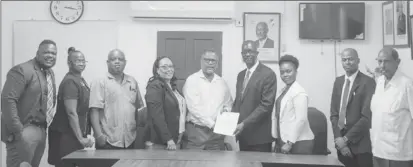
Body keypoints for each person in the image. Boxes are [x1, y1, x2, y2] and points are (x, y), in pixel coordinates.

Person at [1, 39, 57, 167]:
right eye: (46, 52)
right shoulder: (22, 70)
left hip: (42, 129)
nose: (50, 56)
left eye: (54, 53)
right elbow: (8, 100)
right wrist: (18, 130)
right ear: (37, 53)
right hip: (24, 129)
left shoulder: (49, 73)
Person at [89, 49, 145, 150]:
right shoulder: (100, 81)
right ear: (107, 62)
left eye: (120, 59)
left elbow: (137, 108)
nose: (117, 61)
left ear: (125, 62)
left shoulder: (132, 81)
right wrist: (98, 135)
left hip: (129, 139)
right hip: (108, 140)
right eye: (113, 59)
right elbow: (94, 110)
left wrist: (136, 131)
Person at [48, 47, 94, 167]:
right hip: (65, 135)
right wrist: (81, 138)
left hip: (73, 134)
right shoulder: (70, 82)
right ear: (69, 63)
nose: (81, 63)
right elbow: (71, 112)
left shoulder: (80, 80)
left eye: (83, 60)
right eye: (78, 60)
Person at [330, 48, 375, 167]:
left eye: (351, 59)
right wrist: (339, 140)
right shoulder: (338, 82)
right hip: (341, 143)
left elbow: (366, 117)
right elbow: (334, 114)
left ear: (358, 60)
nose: (347, 62)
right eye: (344, 60)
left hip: (360, 144)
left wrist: (345, 140)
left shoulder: (368, 82)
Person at [182, 50, 233, 150]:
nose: (210, 63)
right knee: (194, 163)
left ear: (217, 64)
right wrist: (212, 124)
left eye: (213, 61)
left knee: (216, 163)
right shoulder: (192, 80)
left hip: (217, 135)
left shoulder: (222, 82)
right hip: (196, 132)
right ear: (201, 61)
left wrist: (226, 111)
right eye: (207, 60)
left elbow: (228, 103)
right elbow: (194, 108)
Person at [370, 48, 413, 167]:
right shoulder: (379, 82)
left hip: (399, 155)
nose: (382, 65)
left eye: (387, 61)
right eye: (379, 61)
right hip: (378, 151)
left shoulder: (407, 84)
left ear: (397, 62)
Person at [232, 40, 277, 152]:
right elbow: (239, 101)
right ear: (241, 54)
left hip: (259, 138)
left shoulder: (268, 74)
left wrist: (244, 124)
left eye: (250, 51)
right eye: (244, 52)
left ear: (257, 53)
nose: (247, 54)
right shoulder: (241, 75)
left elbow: (266, 106)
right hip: (243, 136)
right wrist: (228, 113)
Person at [272, 54, 314, 154]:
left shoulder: (299, 92)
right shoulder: (283, 90)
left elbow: (301, 119)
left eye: (288, 71)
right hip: (284, 139)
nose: (285, 75)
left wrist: (290, 143)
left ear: (296, 71)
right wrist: (276, 139)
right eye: (282, 72)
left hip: (299, 142)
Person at [145, 56, 186, 150]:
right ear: (157, 70)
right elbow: (156, 116)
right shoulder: (155, 86)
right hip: (162, 142)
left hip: (176, 137)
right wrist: (168, 139)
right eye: (164, 67)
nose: (169, 69)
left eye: (171, 66)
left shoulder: (172, 86)